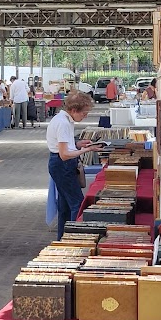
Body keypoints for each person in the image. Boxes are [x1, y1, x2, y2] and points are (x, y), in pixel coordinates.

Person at [46, 90, 95, 240]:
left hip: (59, 164)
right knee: (77, 203)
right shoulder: (63, 123)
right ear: (74, 110)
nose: (85, 116)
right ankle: (73, 238)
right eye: (84, 113)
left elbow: (64, 144)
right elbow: (64, 154)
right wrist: (86, 150)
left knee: (65, 205)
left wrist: (78, 144)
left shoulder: (62, 119)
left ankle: (63, 238)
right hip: (63, 165)